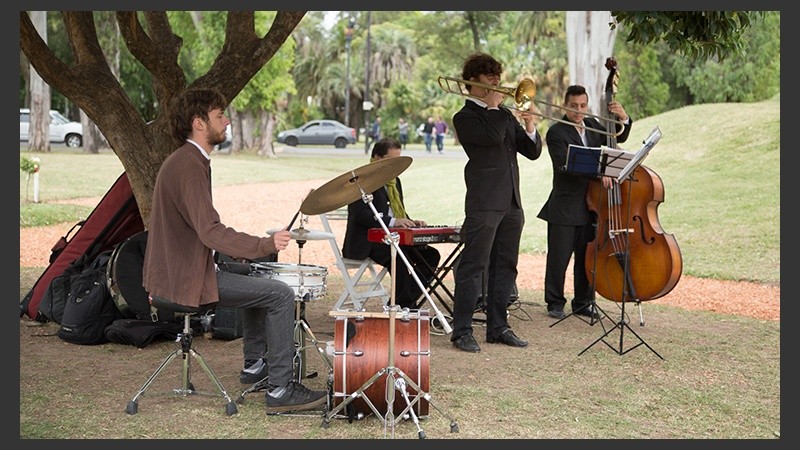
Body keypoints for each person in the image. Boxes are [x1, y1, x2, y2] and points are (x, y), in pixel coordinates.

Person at [142, 88, 327, 414]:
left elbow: (202, 230)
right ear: (199, 123)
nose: (227, 121)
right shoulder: (189, 165)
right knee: (280, 295)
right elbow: (209, 230)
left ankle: (255, 365)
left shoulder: (188, 159)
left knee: (252, 273)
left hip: (181, 270)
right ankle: (281, 390)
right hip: (184, 278)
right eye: (219, 116)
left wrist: (251, 253)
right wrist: (263, 245)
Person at [449, 53, 542, 353]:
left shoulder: (502, 114)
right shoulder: (465, 117)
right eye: (490, 78)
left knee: (506, 266)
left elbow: (532, 151)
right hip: (484, 201)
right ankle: (461, 330)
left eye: (498, 78)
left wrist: (530, 125)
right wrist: (492, 108)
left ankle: (498, 327)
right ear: (473, 81)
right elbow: (489, 139)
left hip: (512, 202)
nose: (497, 84)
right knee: (473, 267)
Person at [536, 84, 632, 320]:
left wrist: (623, 119)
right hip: (565, 205)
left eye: (582, 106)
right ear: (564, 105)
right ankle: (555, 303)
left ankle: (583, 302)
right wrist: (601, 172)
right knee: (559, 258)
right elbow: (567, 165)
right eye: (573, 106)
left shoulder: (591, 125)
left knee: (586, 258)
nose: (578, 110)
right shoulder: (556, 132)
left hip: (592, 204)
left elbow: (614, 138)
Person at [342, 137, 441, 309]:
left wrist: (410, 222)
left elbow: (397, 210)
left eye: (398, 158)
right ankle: (403, 305)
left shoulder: (395, 181)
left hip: (393, 237)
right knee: (399, 255)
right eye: (391, 159)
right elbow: (361, 215)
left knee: (431, 255)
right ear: (377, 158)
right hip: (369, 242)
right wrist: (393, 221)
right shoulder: (362, 181)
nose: (395, 163)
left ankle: (403, 302)